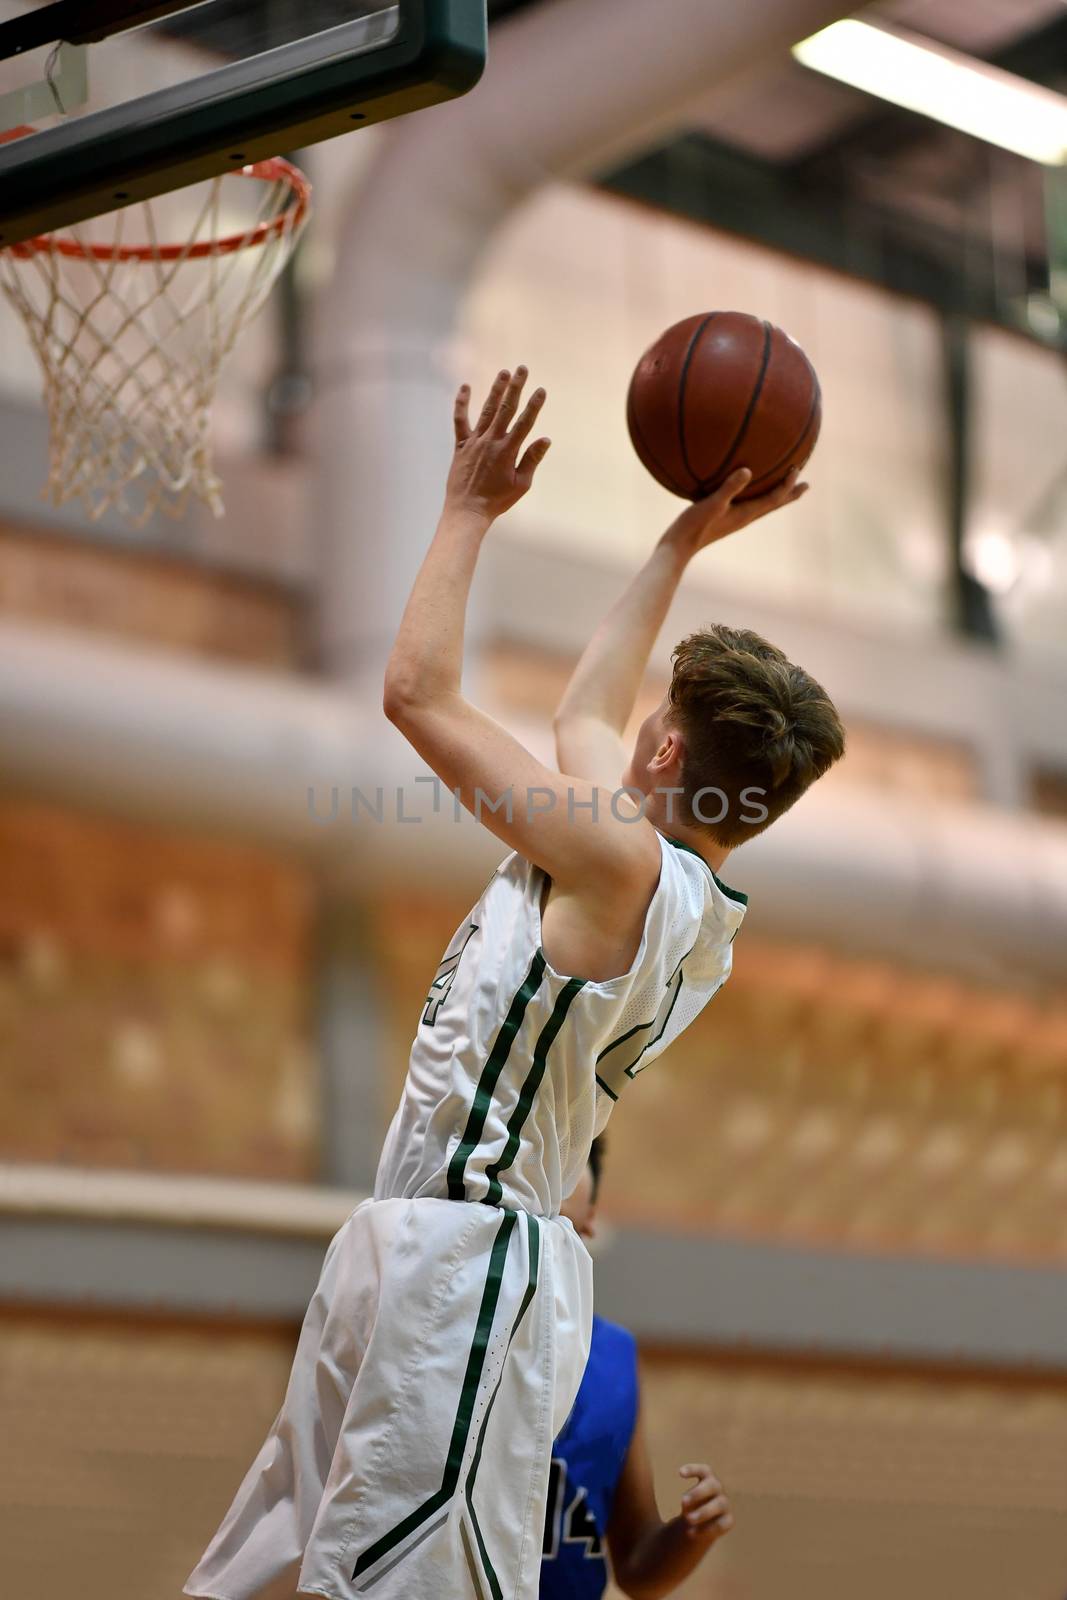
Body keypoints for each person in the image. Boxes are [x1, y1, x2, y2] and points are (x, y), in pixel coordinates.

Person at [184, 367, 844, 1600]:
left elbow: (414, 693)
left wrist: (467, 507)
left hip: (472, 1264)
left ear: (662, 754)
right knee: (263, 1573)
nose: (617, 727)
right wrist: (677, 539)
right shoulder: (659, 876)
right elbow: (584, 708)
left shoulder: (615, 862)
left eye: (642, 727)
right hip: (422, 1245)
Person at [543, 1139, 733, 1600]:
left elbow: (635, 1565)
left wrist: (691, 1535)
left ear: (588, 1229)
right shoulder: (442, 1346)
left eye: (566, 1234)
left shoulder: (613, 1354)